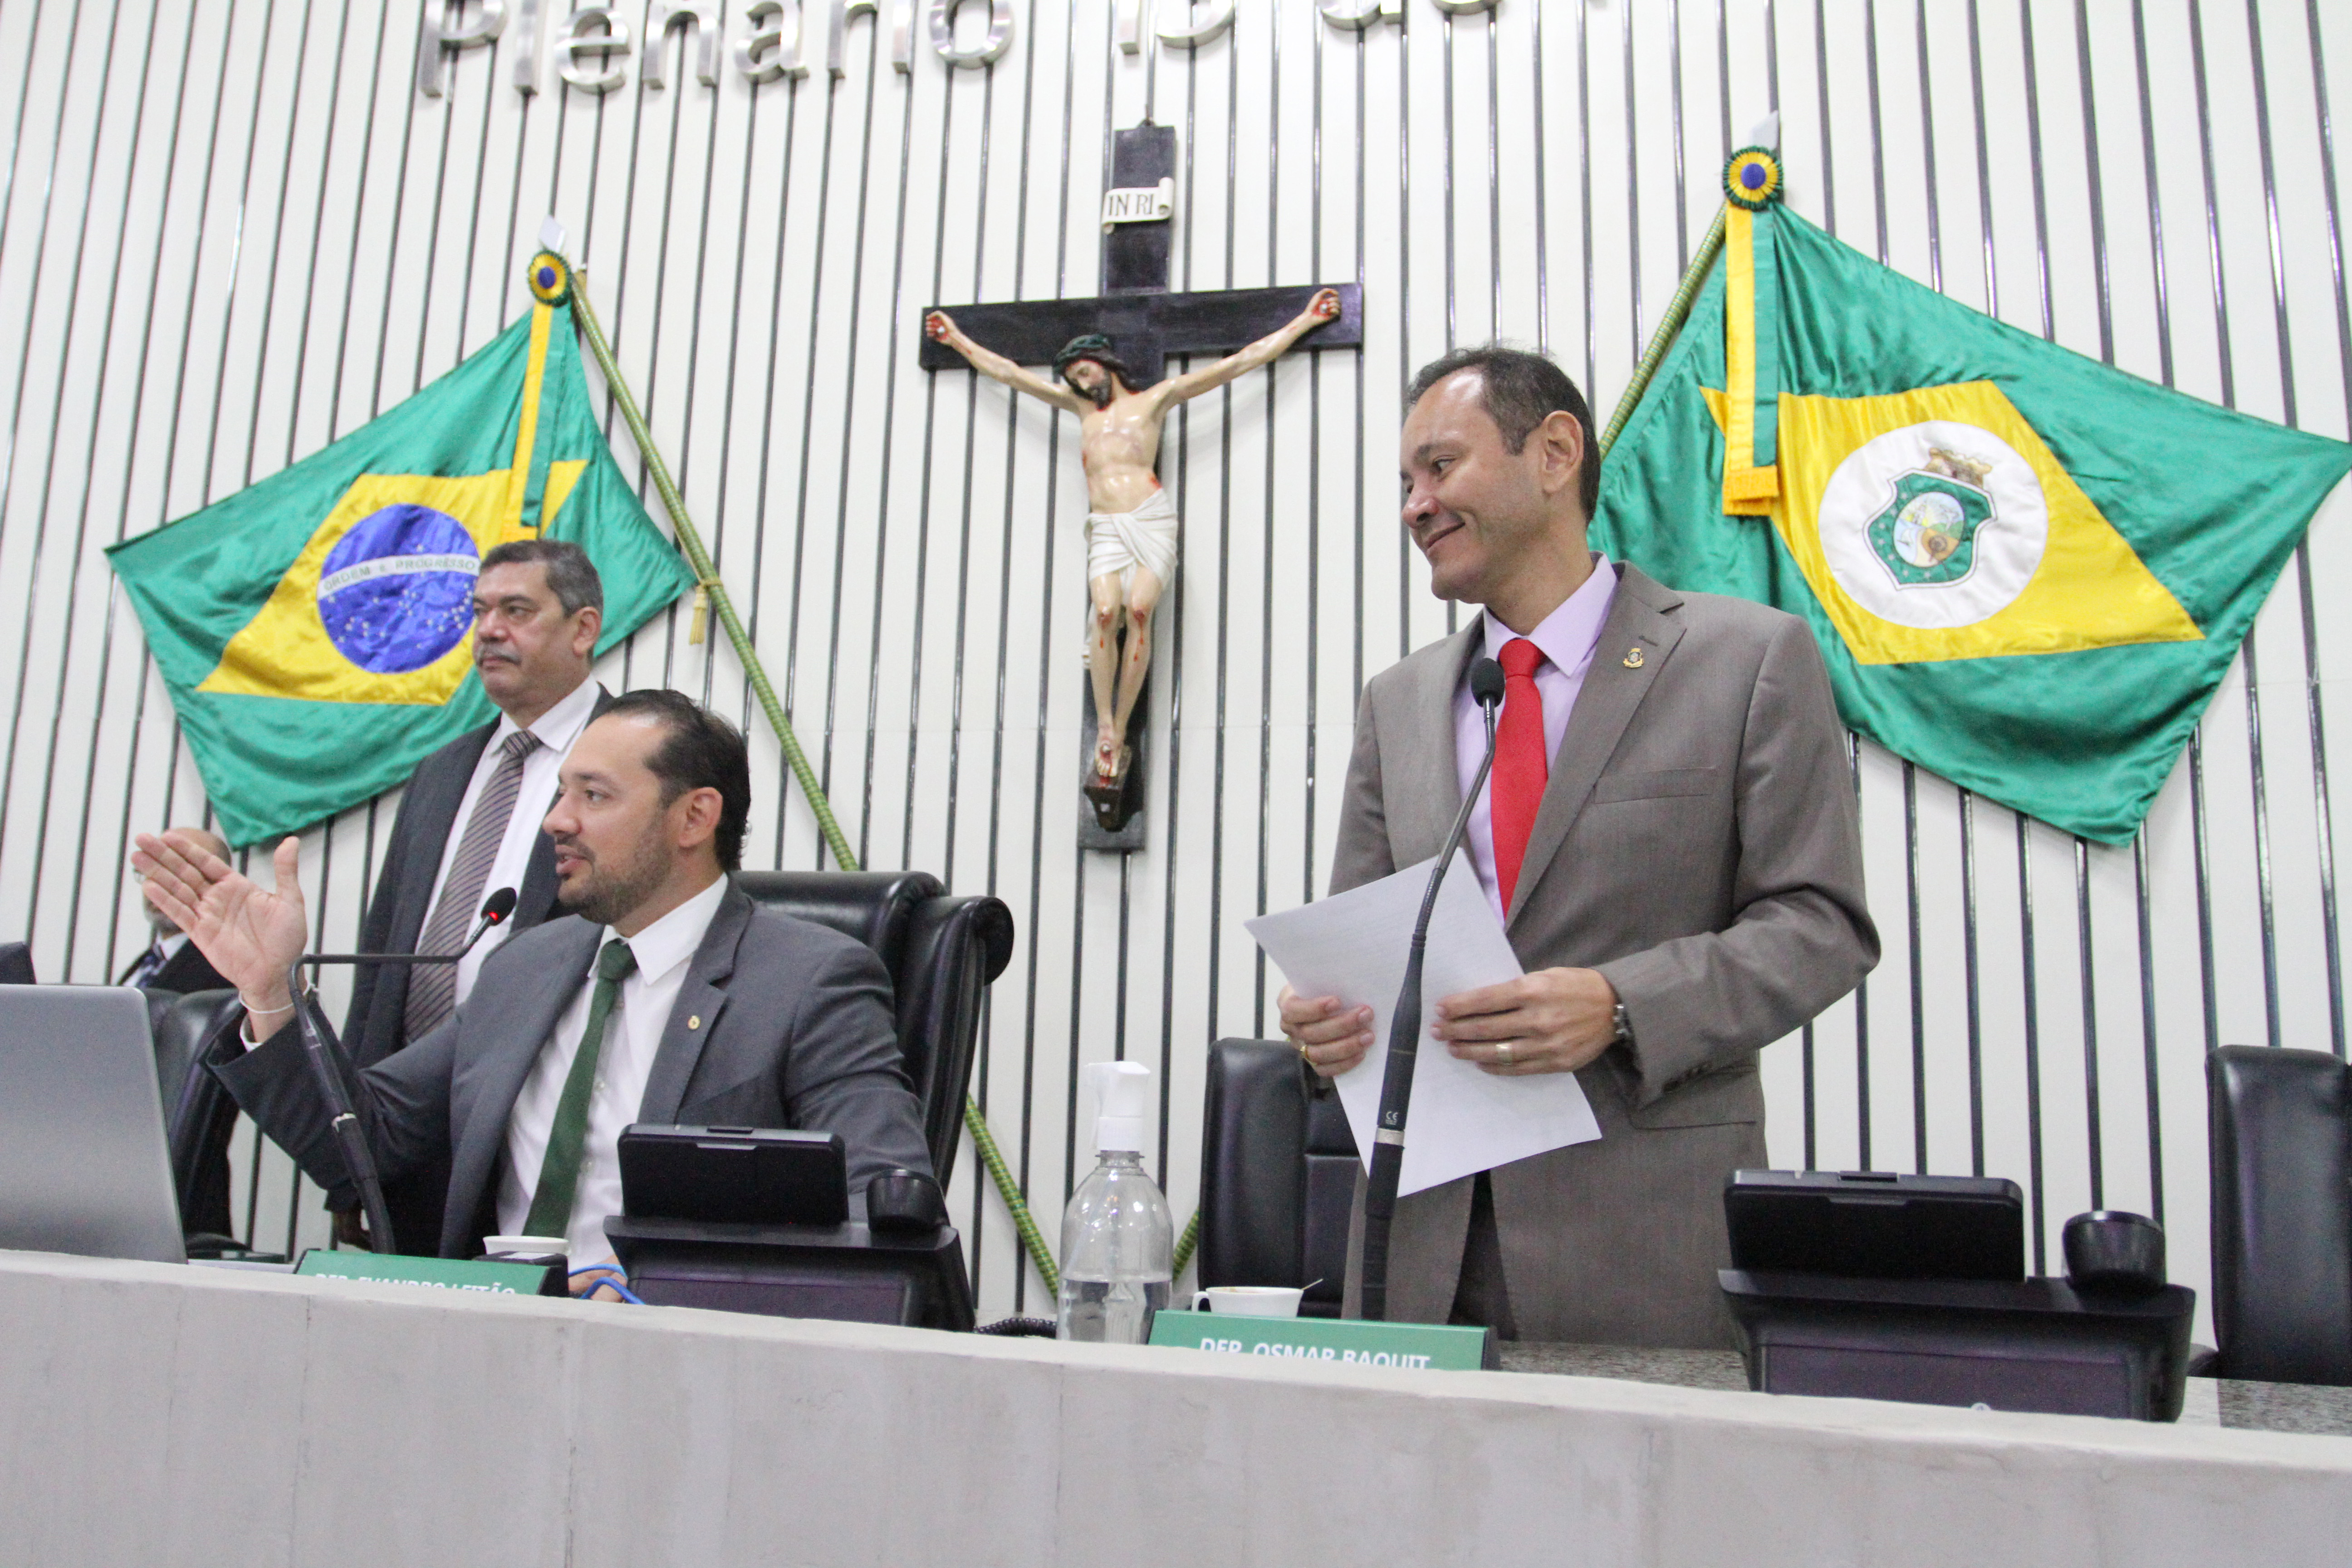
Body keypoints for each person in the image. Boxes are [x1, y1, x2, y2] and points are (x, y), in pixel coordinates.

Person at [1278, 346, 1878, 1348]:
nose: (1414, 506)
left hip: (1639, 1240)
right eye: (1405, 483)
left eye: (1439, 467)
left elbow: (1822, 926)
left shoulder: (1747, 660)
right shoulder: (1399, 703)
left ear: (1555, 453)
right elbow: (1366, 940)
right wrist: (1324, 1029)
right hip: (1417, 1250)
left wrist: (1622, 1004)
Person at [134, 691, 933, 1291]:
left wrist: (665, 1293)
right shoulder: (526, 966)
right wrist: (271, 993)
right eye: (560, 793)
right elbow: (364, 1144)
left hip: (676, 1360)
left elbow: (881, 1205)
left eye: (593, 796)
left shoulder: (810, 979)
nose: (556, 820)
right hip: (494, 1336)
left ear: (694, 818)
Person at [924, 291, 1341, 802]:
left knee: (1139, 611)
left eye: (1085, 371)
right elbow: (1010, 374)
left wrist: (1304, 321)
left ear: (1104, 363)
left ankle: (1121, 725)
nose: (1081, 383)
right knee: (1105, 612)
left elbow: (1239, 363)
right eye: (1074, 379)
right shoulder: (1079, 409)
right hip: (1106, 525)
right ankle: (1106, 724)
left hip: (1150, 519)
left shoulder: (1155, 401)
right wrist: (957, 339)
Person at [337, 537, 617, 1248]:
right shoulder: (443, 769)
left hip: (540, 1130)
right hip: (409, 1131)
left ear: (583, 629)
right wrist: (351, 1155)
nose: (489, 630)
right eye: (480, 611)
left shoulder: (633, 763)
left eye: (516, 611)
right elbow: (382, 962)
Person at [119, 827, 232, 994]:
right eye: (154, 869)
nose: (161, 882)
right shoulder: (148, 961)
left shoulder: (228, 967)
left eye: (178, 872)